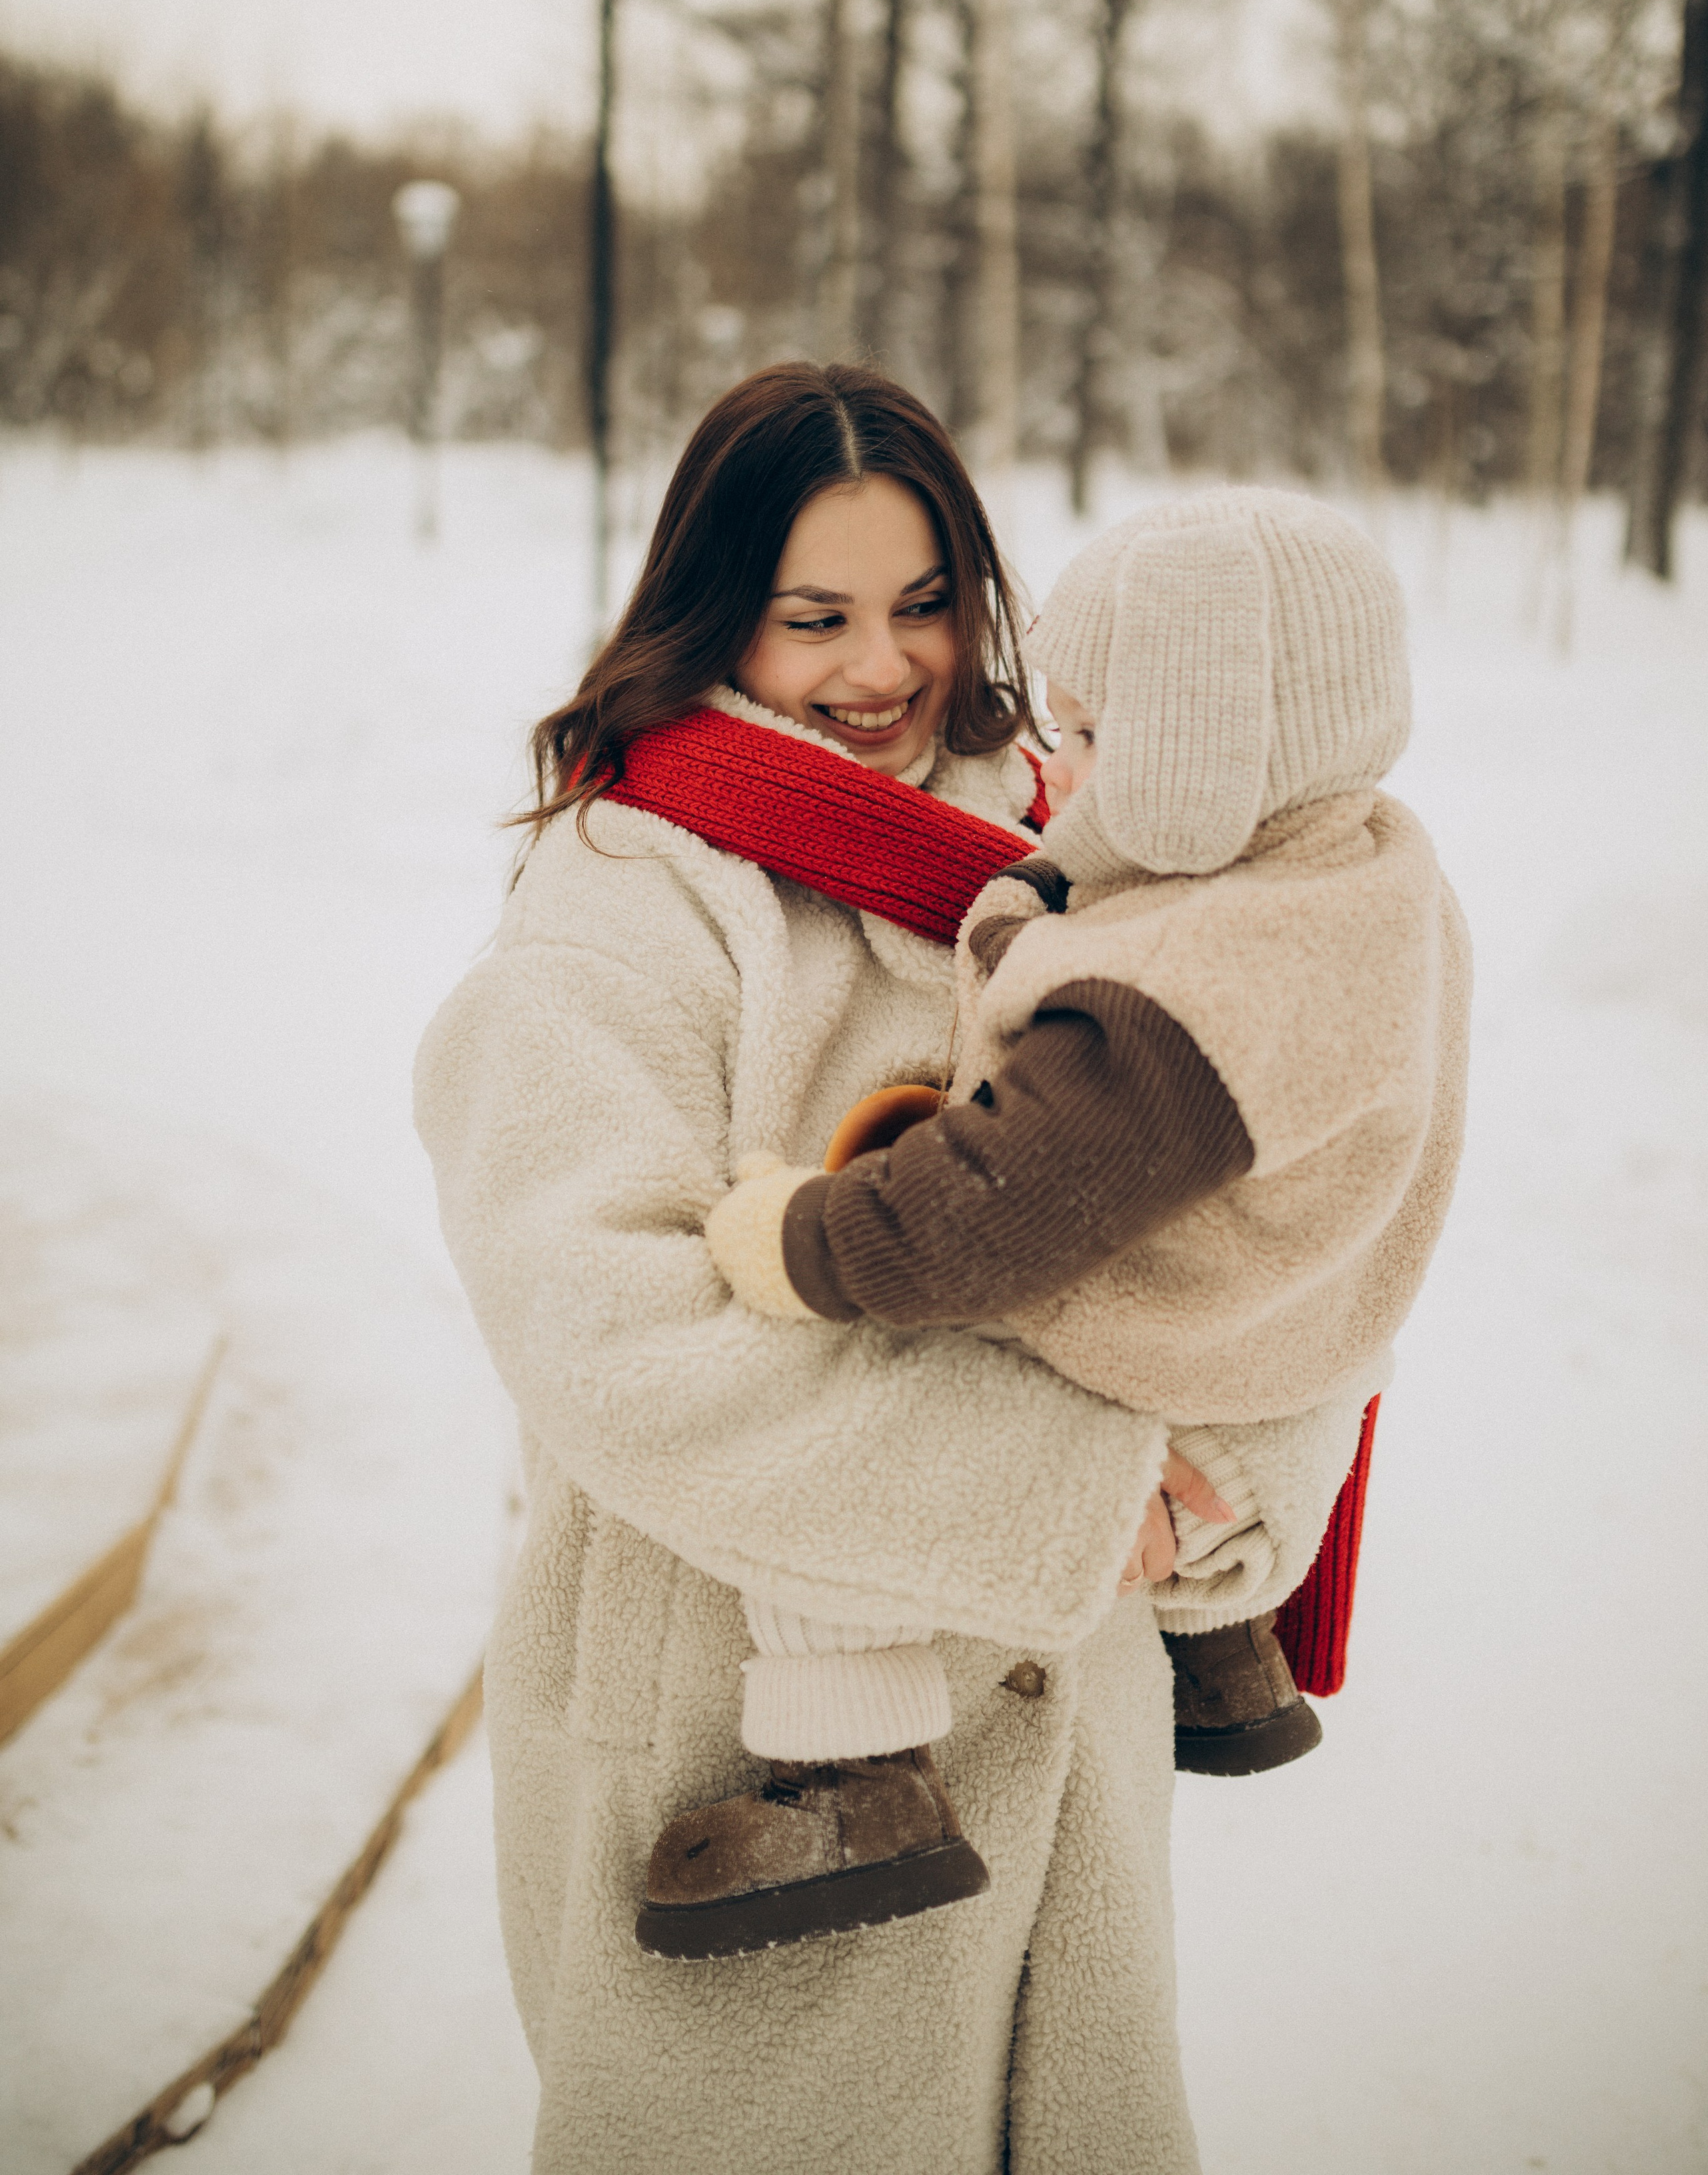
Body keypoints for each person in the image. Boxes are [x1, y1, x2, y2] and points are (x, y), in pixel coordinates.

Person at [414, 364, 1374, 2175]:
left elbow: (1273, 1211)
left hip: (1054, 1772)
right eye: (816, 618)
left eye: (925, 604)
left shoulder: (1075, 853)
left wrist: (1230, 1490)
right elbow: (606, 1329)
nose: (882, 667)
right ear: (715, 616)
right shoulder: (626, 900)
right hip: (738, 1757)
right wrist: (1057, 1496)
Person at [670, 488, 1471, 1954]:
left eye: (1096, 738)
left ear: (1218, 753)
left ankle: (853, 1782)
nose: (1061, 768)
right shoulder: (1359, 864)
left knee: (853, 1443)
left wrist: (804, 1239)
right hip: (1287, 1313)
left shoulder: (1188, 991)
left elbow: (992, 1214)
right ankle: (1220, 1660)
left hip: (1154, 1319)